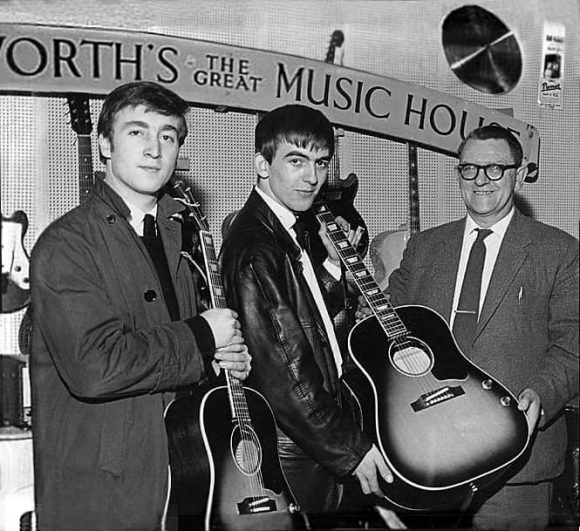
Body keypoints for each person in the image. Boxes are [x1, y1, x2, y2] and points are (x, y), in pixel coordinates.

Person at [30, 81, 251, 531]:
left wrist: (223, 360)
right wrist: (204, 335)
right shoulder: (66, 245)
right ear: (106, 144)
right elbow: (97, 366)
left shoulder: (177, 235)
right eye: (137, 132)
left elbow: (175, 355)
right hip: (103, 494)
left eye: (168, 136)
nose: (155, 149)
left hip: (183, 478)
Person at [365, 124, 578, 529]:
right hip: (425, 459)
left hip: (514, 463)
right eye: (469, 169)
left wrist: (541, 394)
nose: (481, 179)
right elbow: (387, 329)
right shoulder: (424, 247)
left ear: (519, 172)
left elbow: (573, 345)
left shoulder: (560, 251)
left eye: (495, 168)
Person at [219, 104, 398, 527]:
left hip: (314, 434)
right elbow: (286, 371)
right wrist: (349, 448)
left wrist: (335, 268)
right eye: (296, 161)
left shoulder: (285, 230)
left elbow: (311, 325)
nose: (312, 177)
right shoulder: (255, 249)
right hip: (299, 445)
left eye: (320, 163)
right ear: (262, 165)